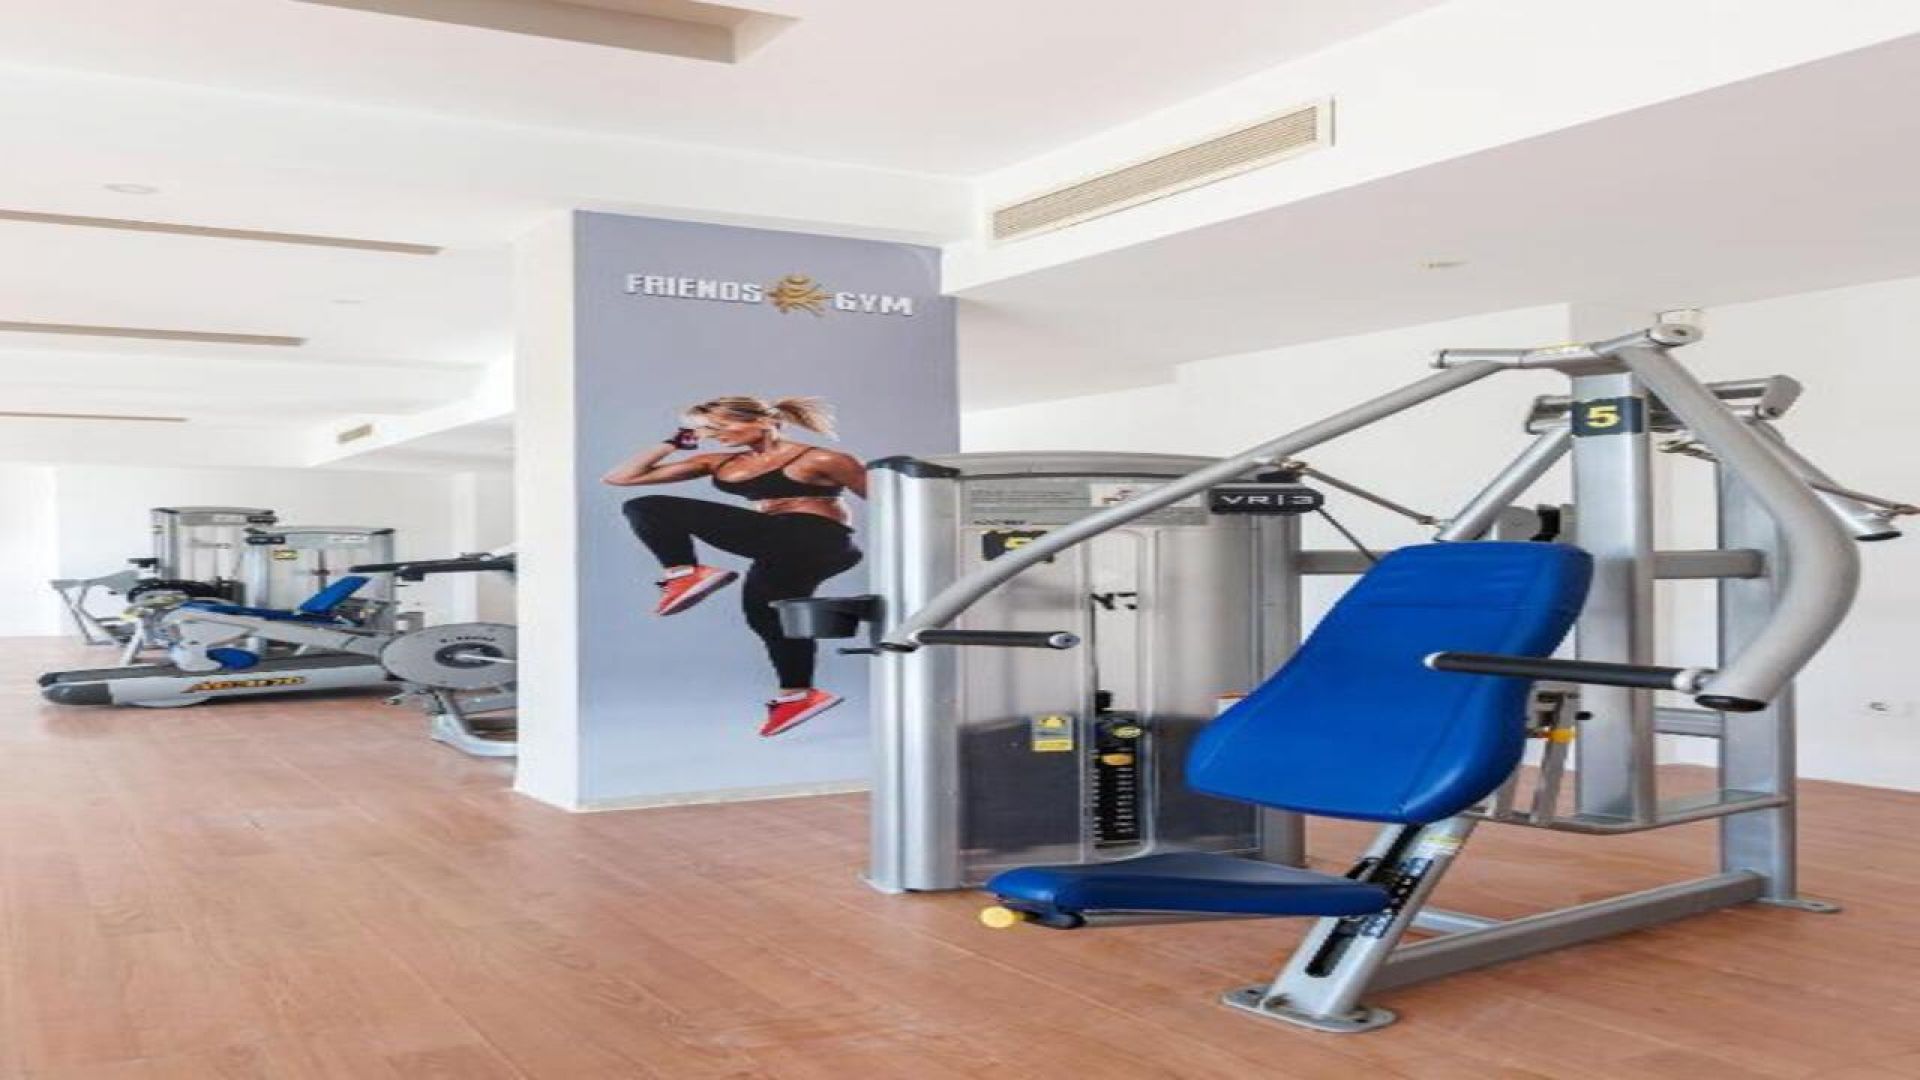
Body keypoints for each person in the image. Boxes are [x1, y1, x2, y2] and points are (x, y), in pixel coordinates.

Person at [603, 395, 866, 737]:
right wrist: (674, 443)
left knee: (651, 507)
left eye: (721, 426)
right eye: (707, 429)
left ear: (764, 421)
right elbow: (619, 478)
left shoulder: (822, 459)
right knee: (764, 614)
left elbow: (889, 498)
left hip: (818, 538)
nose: (715, 435)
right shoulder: (720, 463)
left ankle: (684, 574)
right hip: (778, 546)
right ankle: (798, 694)